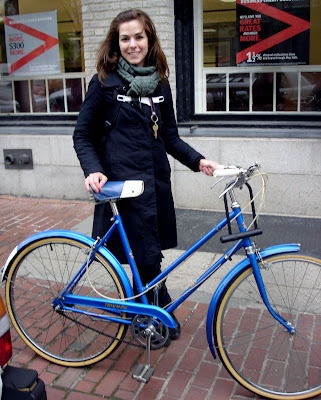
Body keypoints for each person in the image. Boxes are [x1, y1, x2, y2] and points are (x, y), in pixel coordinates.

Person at [73, 9, 220, 342]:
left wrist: (199, 161)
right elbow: (82, 133)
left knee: (150, 249)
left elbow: (169, 137)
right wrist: (92, 169)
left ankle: (147, 309)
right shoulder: (104, 83)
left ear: (149, 39)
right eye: (125, 38)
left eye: (139, 36)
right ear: (116, 42)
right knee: (145, 252)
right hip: (123, 185)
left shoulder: (161, 84)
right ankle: (153, 310)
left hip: (155, 181)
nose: (132, 44)